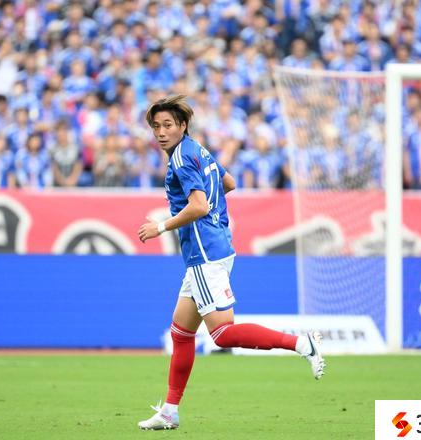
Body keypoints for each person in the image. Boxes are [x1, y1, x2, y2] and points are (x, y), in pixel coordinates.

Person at [136, 95, 325, 430]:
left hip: (205, 253)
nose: (161, 132)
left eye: (168, 125)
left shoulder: (181, 159)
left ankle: (301, 343)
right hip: (214, 246)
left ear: (182, 125)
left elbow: (199, 206)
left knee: (222, 334)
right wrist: (213, 217)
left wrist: (160, 227)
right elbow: (229, 183)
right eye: (156, 127)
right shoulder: (198, 149)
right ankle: (169, 412)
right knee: (181, 332)